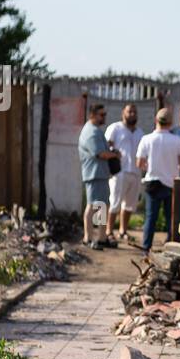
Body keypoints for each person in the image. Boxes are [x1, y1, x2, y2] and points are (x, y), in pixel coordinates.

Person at [135, 107, 180, 253]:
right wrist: (173, 169)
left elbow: (139, 163)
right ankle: (172, 248)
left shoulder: (146, 139)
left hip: (152, 182)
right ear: (171, 123)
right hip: (171, 183)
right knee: (171, 217)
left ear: (156, 121)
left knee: (151, 217)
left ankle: (146, 247)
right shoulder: (176, 140)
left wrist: (152, 167)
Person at [77, 98, 118, 249]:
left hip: (99, 173)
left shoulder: (95, 130)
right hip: (94, 174)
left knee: (100, 205)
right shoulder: (91, 132)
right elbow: (100, 153)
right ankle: (88, 238)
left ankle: (101, 237)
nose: (104, 118)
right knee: (93, 205)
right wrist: (115, 155)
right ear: (92, 115)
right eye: (102, 115)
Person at [104, 104, 143, 242]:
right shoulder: (115, 128)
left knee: (130, 205)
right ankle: (108, 231)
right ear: (123, 113)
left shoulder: (140, 132)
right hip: (119, 172)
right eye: (129, 111)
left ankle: (123, 230)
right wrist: (113, 152)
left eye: (134, 111)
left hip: (135, 172)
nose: (132, 114)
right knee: (114, 202)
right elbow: (106, 145)